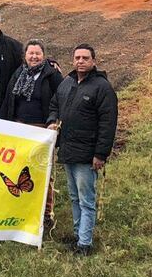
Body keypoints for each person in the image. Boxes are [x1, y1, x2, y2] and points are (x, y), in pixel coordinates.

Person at [47, 44, 118, 256]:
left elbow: (108, 123)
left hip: (88, 154)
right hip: (68, 150)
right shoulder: (66, 83)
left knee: (86, 200)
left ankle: (85, 244)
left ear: (93, 61)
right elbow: (54, 106)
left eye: (85, 58)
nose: (80, 61)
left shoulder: (102, 88)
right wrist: (52, 121)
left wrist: (100, 154)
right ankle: (78, 236)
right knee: (73, 197)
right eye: (77, 57)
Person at [0, 39, 63, 226]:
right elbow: (9, 100)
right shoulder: (18, 73)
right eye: (31, 53)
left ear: (44, 56)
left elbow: (59, 100)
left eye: (38, 53)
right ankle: (21, 208)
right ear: (24, 55)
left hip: (42, 129)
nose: (34, 57)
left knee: (43, 170)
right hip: (19, 128)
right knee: (18, 169)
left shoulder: (52, 75)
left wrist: (53, 122)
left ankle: (46, 212)